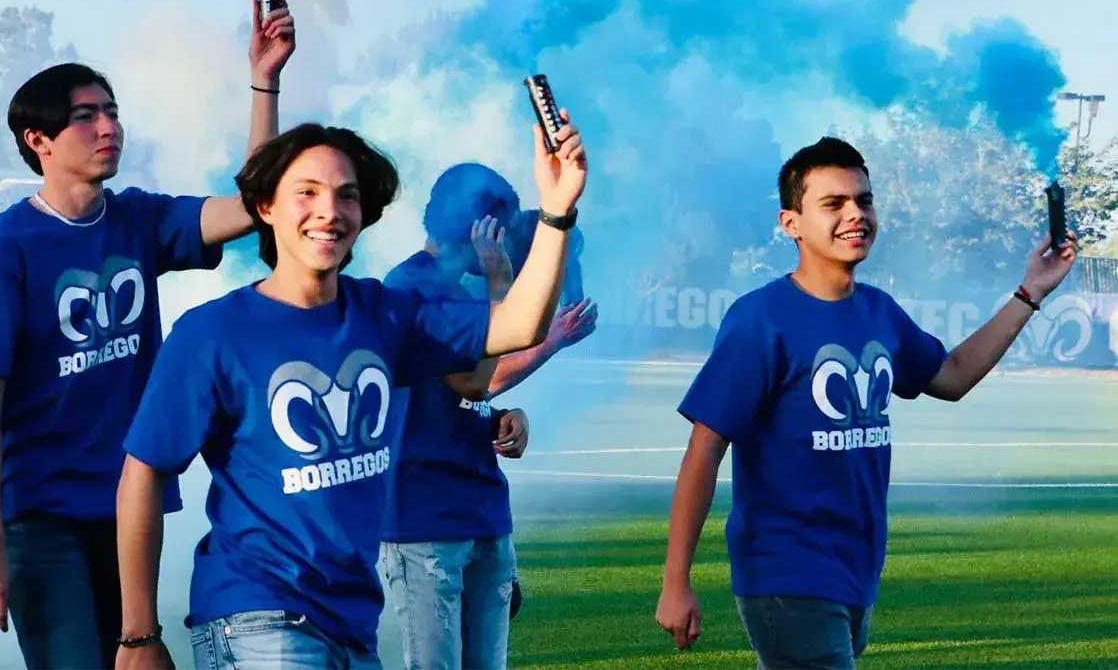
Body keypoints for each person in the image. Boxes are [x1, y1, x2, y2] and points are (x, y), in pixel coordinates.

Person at [113, 115, 589, 670]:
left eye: (347, 195)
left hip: (353, 625)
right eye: (307, 192)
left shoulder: (383, 314)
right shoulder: (211, 333)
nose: (329, 211)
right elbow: (143, 471)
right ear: (265, 207)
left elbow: (519, 325)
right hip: (256, 617)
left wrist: (557, 208)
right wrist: (138, 635)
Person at [0, 0, 296, 669]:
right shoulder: (4, 249)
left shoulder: (137, 220)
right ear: (38, 141)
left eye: (112, 111)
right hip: (42, 515)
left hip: (130, 504)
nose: (108, 127)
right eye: (85, 116)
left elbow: (255, 206)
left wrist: (264, 80)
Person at [654, 136, 1078, 669]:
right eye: (833, 203)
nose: (855, 213)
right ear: (791, 224)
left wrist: (1031, 292)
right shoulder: (761, 319)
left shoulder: (880, 311)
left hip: (856, 568)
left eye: (864, 200)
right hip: (787, 571)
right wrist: (676, 581)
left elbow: (952, 376)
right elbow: (704, 450)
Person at [378, 163, 598, 669]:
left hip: (480, 511)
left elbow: (469, 394)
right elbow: (470, 380)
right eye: (504, 230)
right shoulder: (411, 286)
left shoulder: (458, 290)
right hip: (425, 520)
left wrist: (501, 416)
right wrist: (502, 288)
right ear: (483, 231)